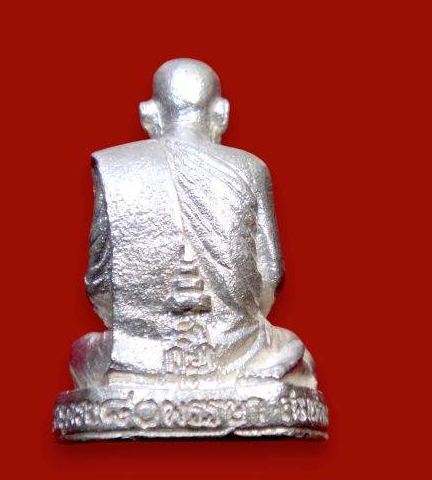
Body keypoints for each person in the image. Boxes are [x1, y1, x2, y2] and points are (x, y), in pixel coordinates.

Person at [70, 58, 316, 388]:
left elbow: (99, 284)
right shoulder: (251, 168)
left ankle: (135, 380)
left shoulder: (115, 166)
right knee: (290, 348)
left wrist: (141, 327)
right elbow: (271, 276)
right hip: (241, 348)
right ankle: (244, 380)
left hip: (135, 355)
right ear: (222, 113)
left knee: (84, 352)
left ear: (148, 114)